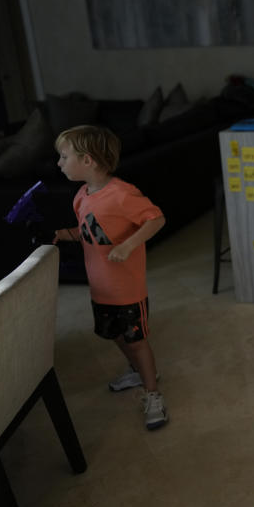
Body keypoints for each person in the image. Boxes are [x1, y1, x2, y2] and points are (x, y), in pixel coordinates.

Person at [53, 125, 169, 430]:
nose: (59, 163)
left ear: (87, 160)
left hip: (127, 289)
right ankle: (135, 370)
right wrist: (62, 234)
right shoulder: (81, 197)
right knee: (114, 333)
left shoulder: (122, 194)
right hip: (100, 288)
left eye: (64, 157)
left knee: (137, 340)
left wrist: (129, 245)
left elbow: (156, 218)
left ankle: (152, 392)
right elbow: (89, 231)